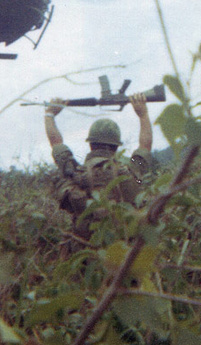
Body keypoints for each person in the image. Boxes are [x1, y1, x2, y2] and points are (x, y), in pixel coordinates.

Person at [44, 94, 154, 239]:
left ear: (91, 144)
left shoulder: (73, 172)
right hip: (125, 253)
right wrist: (143, 114)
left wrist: (49, 115)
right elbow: (145, 147)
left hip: (86, 252)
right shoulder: (133, 170)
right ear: (116, 146)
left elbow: (56, 144)